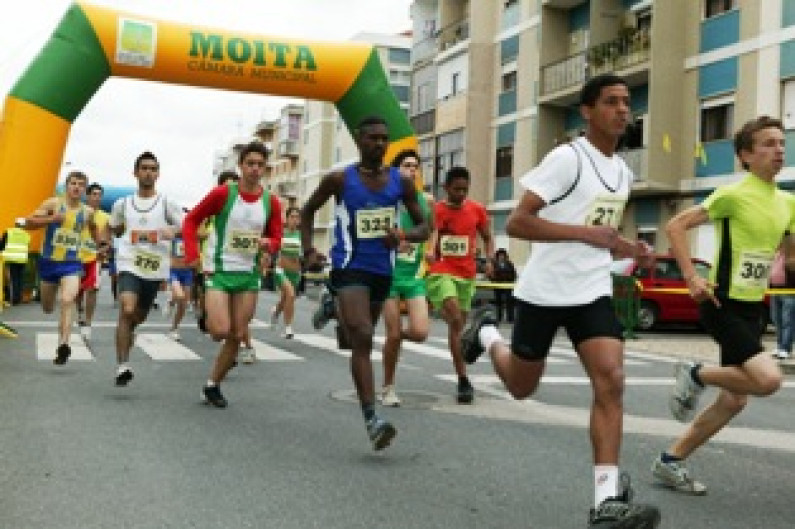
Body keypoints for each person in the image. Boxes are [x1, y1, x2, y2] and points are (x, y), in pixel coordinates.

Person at [459, 74, 660, 528]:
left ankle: (606, 501)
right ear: (587, 111)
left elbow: (600, 233)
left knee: (611, 380)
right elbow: (518, 223)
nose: (623, 110)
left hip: (591, 289)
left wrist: (628, 249)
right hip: (545, 291)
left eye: (627, 102)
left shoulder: (623, 172)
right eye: (612, 102)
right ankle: (487, 333)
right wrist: (586, 234)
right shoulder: (567, 159)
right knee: (521, 387)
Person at [651, 115, 793, 496]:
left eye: (781, 142)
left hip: (753, 308)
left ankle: (670, 461)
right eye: (767, 143)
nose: (778, 149)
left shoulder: (788, 202)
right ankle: (696, 373)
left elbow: (790, 259)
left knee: (733, 401)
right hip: (721, 302)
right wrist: (691, 277)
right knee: (769, 379)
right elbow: (676, 226)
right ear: (746, 155)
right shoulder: (733, 194)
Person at [301, 116, 429, 451]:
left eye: (385, 139)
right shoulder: (340, 179)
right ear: (359, 140)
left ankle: (333, 305)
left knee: (350, 338)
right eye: (373, 138)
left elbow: (424, 228)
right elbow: (307, 211)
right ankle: (372, 418)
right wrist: (308, 250)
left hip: (381, 272)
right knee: (364, 337)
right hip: (349, 265)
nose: (380, 144)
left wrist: (403, 235)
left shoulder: (401, 182)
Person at [183, 142, 282, 408]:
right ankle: (205, 310)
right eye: (250, 164)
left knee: (237, 335)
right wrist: (193, 255)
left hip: (248, 274)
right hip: (220, 269)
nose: (255, 169)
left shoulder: (271, 202)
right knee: (219, 331)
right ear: (240, 166)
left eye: (260, 165)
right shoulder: (223, 194)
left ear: (265, 169)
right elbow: (191, 220)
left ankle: (212, 384)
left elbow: (276, 237)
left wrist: (268, 245)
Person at [108, 152, 183, 386]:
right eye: (144, 168)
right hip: (129, 262)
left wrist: (174, 231)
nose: (148, 172)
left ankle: (130, 332)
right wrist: (110, 234)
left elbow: (185, 226)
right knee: (127, 309)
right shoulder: (123, 204)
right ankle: (122, 365)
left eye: (152, 168)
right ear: (135, 172)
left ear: (158, 174)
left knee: (137, 317)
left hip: (154, 267)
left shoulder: (167, 203)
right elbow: (113, 228)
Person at [17, 171, 107, 364]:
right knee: (48, 308)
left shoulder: (87, 212)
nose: (76, 187)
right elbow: (28, 223)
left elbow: (92, 228)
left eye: (80, 184)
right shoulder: (53, 204)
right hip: (49, 263)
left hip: (72, 264)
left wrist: (100, 245)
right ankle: (61, 333)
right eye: (73, 183)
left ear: (84, 190)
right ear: (66, 186)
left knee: (68, 299)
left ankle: (64, 344)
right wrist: (51, 219)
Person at [424, 166, 494, 404]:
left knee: (456, 328)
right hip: (441, 270)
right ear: (446, 188)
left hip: (466, 274)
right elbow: (430, 233)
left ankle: (462, 378)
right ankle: (467, 338)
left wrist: (490, 259)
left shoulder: (477, 210)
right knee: (454, 316)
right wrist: (429, 251)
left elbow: (487, 236)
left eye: (465, 189)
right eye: (456, 190)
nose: (461, 194)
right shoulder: (438, 210)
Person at [379, 149, 433, 407]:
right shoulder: (386, 200)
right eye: (406, 165)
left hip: (412, 276)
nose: (412, 170)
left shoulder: (425, 200)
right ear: (396, 171)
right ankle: (388, 387)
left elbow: (429, 229)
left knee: (420, 332)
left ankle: (395, 341)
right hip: (388, 275)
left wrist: (429, 247)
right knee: (392, 333)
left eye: (415, 166)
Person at [76, 183, 111, 342]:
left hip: (94, 258)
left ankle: (88, 323)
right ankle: (79, 314)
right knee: (77, 291)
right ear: (87, 196)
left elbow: (107, 238)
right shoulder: (79, 212)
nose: (97, 197)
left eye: (99, 195)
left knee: (92, 289)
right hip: (76, 258)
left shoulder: (105, 217)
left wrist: (105, 248)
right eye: (94, 194)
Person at [269, 206, 301, 340]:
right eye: (292, 217)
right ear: (286, 219)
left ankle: (275, 311)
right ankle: (288, 328)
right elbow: (272, 248)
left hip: (295, 272)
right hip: (281, 270)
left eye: (297, 217)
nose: (294, 220)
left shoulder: (301, 235)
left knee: (285, 299)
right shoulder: (281, 233)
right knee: (291, 295)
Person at [163, 226, 193, 342]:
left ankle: (174, 328)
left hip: (187, 272)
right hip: (173, 271)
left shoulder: (192, 238)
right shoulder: (172, 238)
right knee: (179, 295)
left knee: (183, 303)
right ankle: (171, 301)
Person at [769, 238, 795, 360]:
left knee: (787, 320)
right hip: (775, 291)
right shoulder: (776, 254)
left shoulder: (792, 255)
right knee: (776, 319)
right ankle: (780, 346)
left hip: (789, 292)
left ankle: (786, 348)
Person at [0, 223, 31, 305]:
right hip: (22, 259)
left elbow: (1, 245)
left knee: (13, 279)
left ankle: (14, 299)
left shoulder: (8, 232)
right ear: (24, 226)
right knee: (20, 279)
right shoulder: (26, 235)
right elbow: (27, 246)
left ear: (15, 224)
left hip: (11, 259)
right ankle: (18, 297)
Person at [489, 248, 517, 324]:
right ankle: (499, 317)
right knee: (498, 303)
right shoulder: (494, 264)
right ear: (497, 256)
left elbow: (514, 274)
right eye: (500, 255)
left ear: (505, 256)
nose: (501, 257)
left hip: (508, 286)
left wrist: (510, 281)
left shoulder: (509, 264)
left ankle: (510, 318)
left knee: (509, 302)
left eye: (503, 255)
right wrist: (494, 281)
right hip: (498, 286)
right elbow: (491, 275)